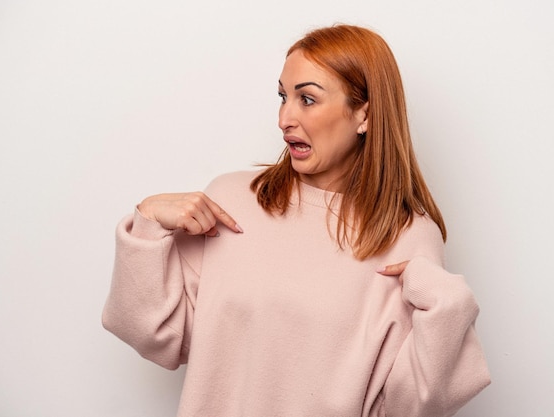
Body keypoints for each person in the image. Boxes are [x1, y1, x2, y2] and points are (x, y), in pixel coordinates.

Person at [102, 24, 490, 417]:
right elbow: (157, 337)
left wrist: (448, 306)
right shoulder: (232, 200)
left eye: (307, 99)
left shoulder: (408, 236)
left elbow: (410, 407)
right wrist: (148, 224)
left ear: (364, 114)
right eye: (282, 97)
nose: (284, 117)